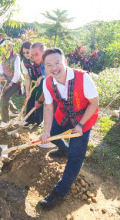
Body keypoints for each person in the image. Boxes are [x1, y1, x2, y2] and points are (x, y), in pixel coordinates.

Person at [38, 48, 99, 210]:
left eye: (57, 62)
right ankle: (63, 149)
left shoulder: (83, 78)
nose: (54, 68)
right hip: (63, 115)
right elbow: (49, 108)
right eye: (49, 65)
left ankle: (59, 193)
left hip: (83, 118)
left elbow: (94, 103)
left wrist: (80, 125)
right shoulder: (47, 82)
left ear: (65, 62)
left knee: (76, 155)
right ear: (45, 67)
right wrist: (46, 131)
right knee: (52, 135)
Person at [0, 39, 24, 127]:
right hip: (7, 80)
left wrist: (9, 86)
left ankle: (5, 120)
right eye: (5, 46)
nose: (7, 48)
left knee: (5, 97)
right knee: (4, 96)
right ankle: (15, 111)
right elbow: (1, 68)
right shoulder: (2, 56)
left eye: (9, 46)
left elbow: (17, 74)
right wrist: (2, 75)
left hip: (15, 82)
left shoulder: (16, 57)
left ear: (12, 46)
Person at [24, 42, 46, 126]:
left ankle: (39, 121)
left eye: (37, 54)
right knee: (33, 98)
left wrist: (41, 77)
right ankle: (29, 120)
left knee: (40, 99)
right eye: (33, 55)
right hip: (36, 81)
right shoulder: (34, 63)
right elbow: (27, 77)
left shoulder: (46, 63)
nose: (34, 58)